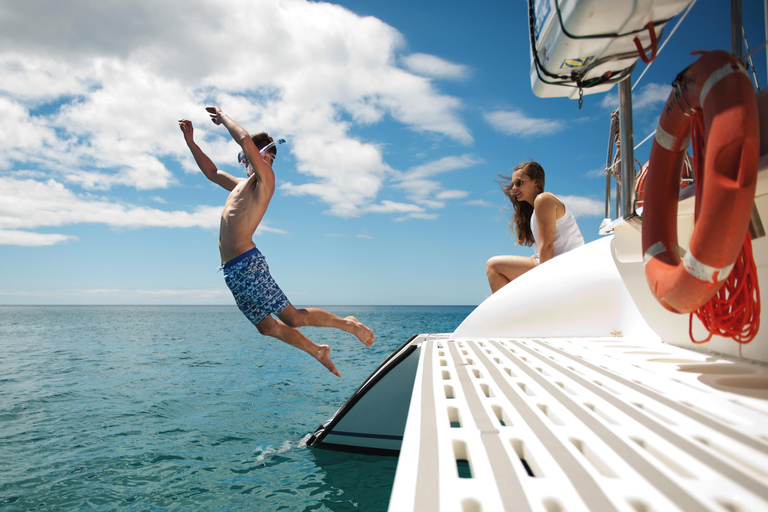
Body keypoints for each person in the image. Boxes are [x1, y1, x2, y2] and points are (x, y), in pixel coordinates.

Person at [179, 107, 374, 377]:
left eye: (248, 157)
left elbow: (245, 141)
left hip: (248, 265)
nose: (245, 162)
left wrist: (223, 117)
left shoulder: (266, 180)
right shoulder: (240, 185)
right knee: (266, 327)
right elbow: (211, 172)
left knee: (292, 317)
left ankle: (348, 324)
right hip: (231, 272)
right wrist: (191, 142)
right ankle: (318, 351)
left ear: (258, 157)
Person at [486, 161, 584, 293]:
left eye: (519, 182)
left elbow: (547, 245)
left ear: (535, 182)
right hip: (559, 263)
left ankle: (510, 312)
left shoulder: (544, 199)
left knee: (493, 265)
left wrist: (544, 286)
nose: (514, 188)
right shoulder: (536, 208)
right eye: (513, 184)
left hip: (564, 265)